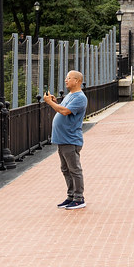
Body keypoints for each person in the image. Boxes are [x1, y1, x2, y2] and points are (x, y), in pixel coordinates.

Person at [43, 70, 87, 210]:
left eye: (69, 78)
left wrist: (50, 103)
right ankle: (71, 196)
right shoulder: (70, 95)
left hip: (70, 139)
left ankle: (79, 198)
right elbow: (63, 108)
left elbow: (65, 112)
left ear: (77, 81)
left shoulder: (80, 97)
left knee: (74, 169)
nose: (66, 80)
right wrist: (55, 102)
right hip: (62, 139)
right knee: (65, 169)